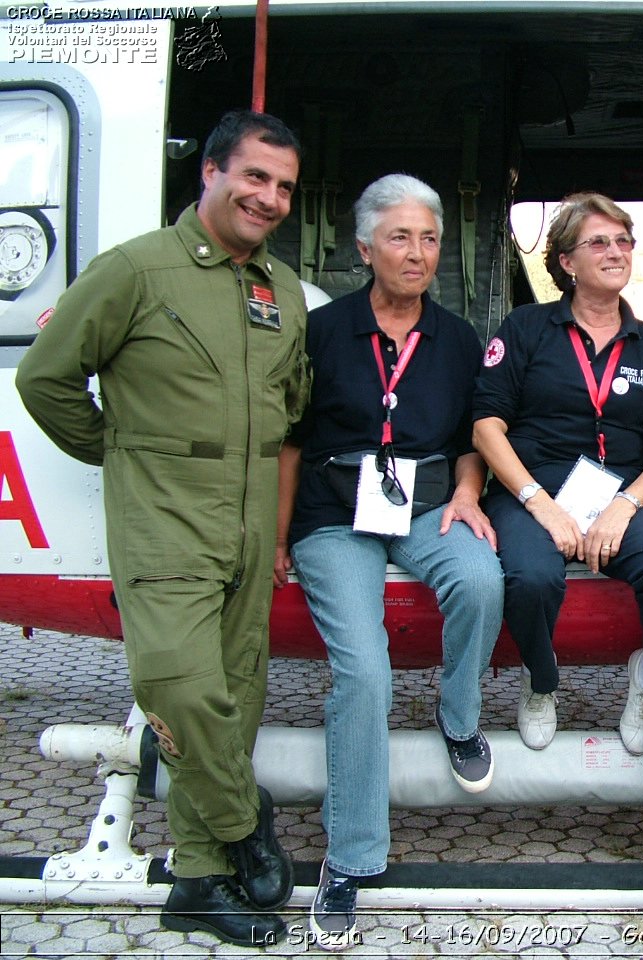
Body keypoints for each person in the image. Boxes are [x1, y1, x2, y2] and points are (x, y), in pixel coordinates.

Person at [15, 110, 307, 947]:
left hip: (250, 515)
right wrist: (118, 449)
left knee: (235, 693)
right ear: (211, 173)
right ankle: (244, 818)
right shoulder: (135, 269)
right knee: (179, 685)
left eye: (284, 186)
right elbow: (46, 377)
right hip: (166, 515)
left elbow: (292, 406)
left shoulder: (280, 289)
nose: (270, 198)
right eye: (255, 176)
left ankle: (198, 878)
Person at [275, 174, 504, 951]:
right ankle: (350, 858)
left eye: (430, 238)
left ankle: (459, 717)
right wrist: (279, 536)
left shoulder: (458, 336)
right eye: (400, 237)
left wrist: (470, 495)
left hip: (428, 501)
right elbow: (292, 441)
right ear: (365, 247)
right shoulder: (323, 330)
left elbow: (474, 438)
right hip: (335, 512)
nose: (418, 252)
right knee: (364, 671)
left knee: (480, 579)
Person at [472, 192, 643, 755]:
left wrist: (625, 507)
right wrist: (539, 503)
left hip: (619, 491)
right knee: (531, 577)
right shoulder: (525, 328)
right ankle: (541, 683)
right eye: (599, 242)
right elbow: (485, 429)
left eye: (623, 241)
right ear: (567, 263)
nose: (615, 251)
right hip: (532, 487)